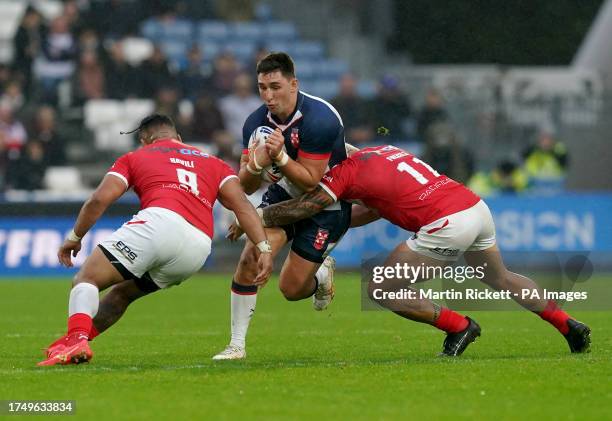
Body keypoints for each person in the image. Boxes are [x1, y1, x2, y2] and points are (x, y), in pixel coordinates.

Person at [248, 144, 591, 356]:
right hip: (474, 207)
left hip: (447, 224)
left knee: (381, 287)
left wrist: (256, 214)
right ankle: (568, 324)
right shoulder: (382, 151)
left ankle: (459, 325)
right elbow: (373, 208)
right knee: (501, 277)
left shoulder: (342, 175)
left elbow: (309, 205)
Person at [38, 114, 273, 366]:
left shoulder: (136, 156)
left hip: (159, 223)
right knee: (121, 295)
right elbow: (244, 207)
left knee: (87, 278)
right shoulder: (214, 163)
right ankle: (76, 343)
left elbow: (98, 199)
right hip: (197, 248)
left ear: (144, 140)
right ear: (179, 138)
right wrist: (265, 249)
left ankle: (75, 339)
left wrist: (75, 237)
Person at [212, 52, 351, 360]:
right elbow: (245, 186)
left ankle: (319, 276)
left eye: (275, 86)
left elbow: (311, 182)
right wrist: (255, 165)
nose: (268, 95)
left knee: (291, 289)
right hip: (283, 196)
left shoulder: (320, 118)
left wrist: (280, 158)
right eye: (262, 87)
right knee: (251, 255)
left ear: (293, 84)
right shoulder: (255, 123)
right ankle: (236, 345)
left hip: (325, 204)